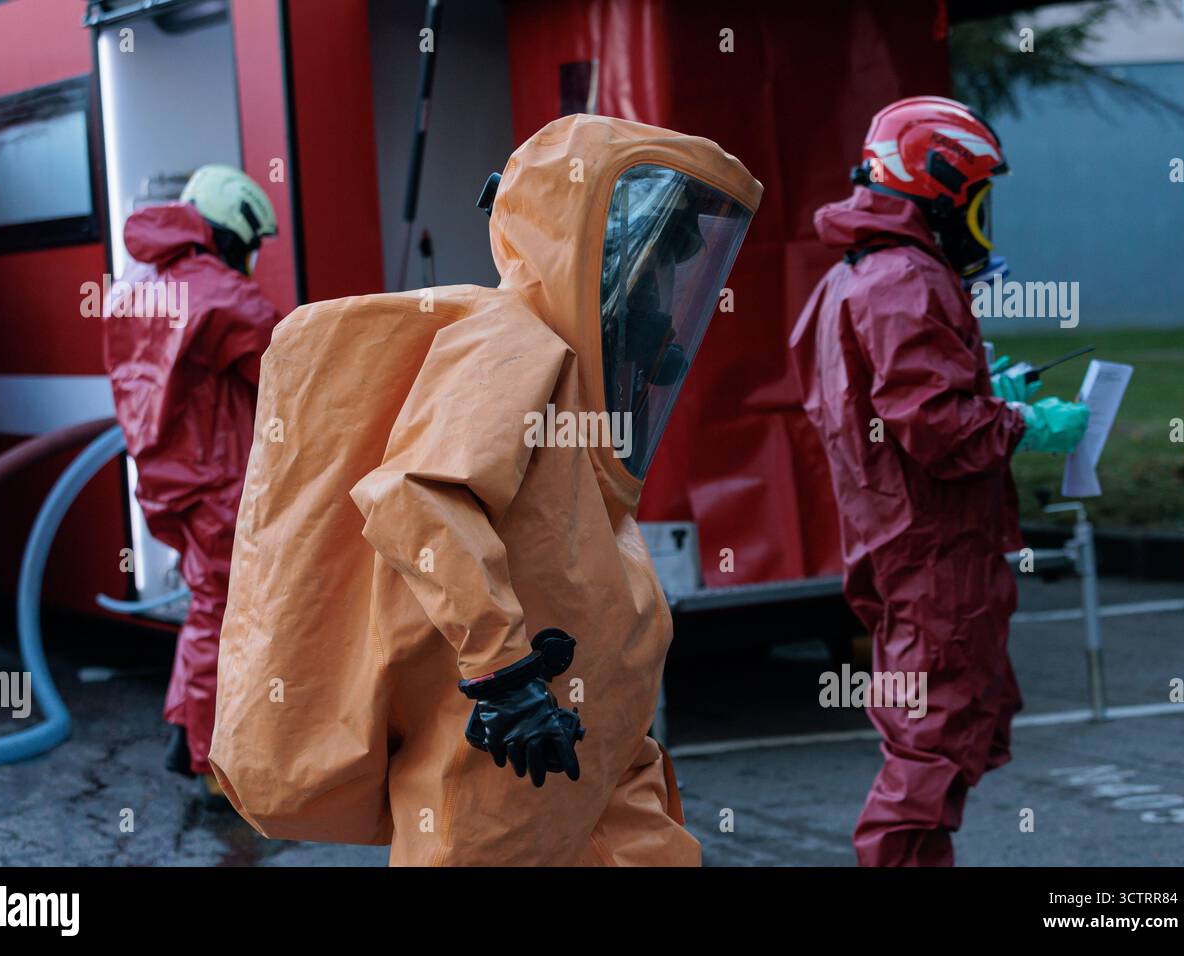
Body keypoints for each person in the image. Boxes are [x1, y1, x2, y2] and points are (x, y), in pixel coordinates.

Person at [209, 114, 761, 865]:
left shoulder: (570, 367)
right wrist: (504, 674)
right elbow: (414, 497)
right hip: (508, 757)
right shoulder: (510, 341)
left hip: (589, 742)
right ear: (587, 244)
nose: (662, 290)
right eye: (657, 260)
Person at [789, 96, 1089, 866]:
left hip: (899, 546)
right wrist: (1022, 421)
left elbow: (867, 400)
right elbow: (937, 428)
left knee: (942, 737)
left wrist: (985, 385)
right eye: (978, 200)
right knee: (929, 754)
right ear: (943, 189)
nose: (985, 223)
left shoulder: (853, 276)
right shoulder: (905, 279)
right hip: (934, 556)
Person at [102, 164, 279, 804]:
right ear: (231, 231)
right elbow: (290, 371)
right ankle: (212, 770)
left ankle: (187, 737)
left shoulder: (137, 293)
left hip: (166, 485)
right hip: (221, 484)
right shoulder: (224, 294)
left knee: (207, 608)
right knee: (221, 614)